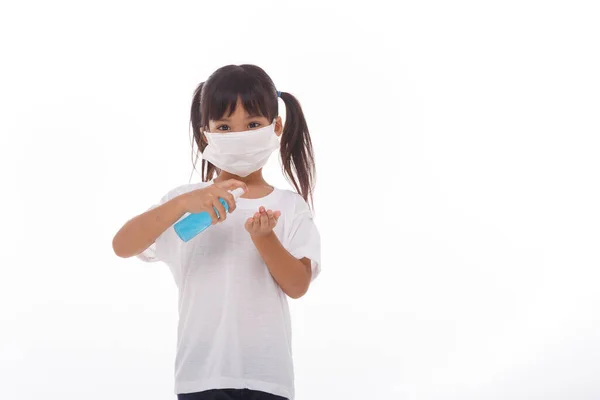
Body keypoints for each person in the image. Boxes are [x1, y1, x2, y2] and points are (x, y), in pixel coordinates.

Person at [112, 64, 321, 400]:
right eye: (224, 126)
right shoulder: (186, 203)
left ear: (276, 126)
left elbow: (297, 285)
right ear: (204, 134)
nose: (239, 136)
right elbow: (123, 246)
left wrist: (265, 239)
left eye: (252, 124)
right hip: (200, 375)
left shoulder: (290, 206)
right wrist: (182, 204)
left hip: (267, 377)